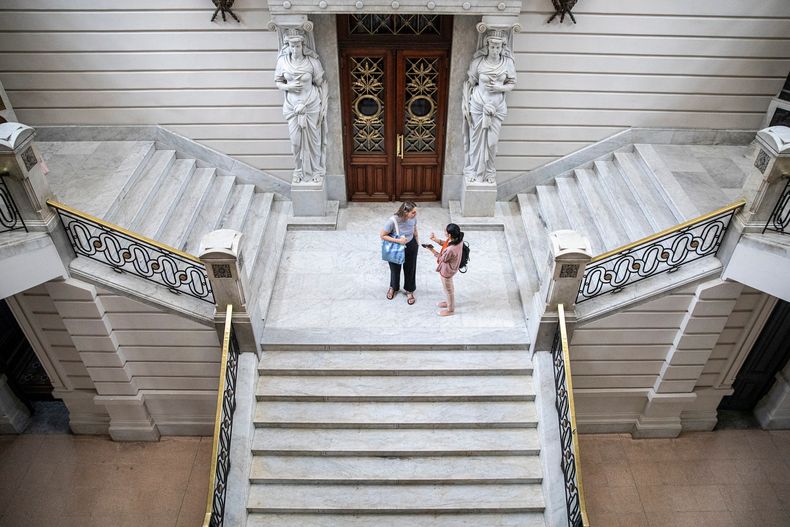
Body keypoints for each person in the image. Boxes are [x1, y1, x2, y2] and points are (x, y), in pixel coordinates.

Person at [462, 30, 517, 183]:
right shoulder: (478, 62)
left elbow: (512, 83)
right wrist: (467, 102)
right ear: (487, 46)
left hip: (496, 108)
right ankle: (473, 170)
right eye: (492, 47)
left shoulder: (507, 63)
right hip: (478, 105)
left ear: (502, 47)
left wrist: (500, 87)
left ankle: (489, 172)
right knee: (475, 141)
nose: (494, 50)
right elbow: (471, 82)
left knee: (492, 142)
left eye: (498, 47)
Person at [274, 30, 328, 183]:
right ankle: (298, 171)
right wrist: (288, 87)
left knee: (314, 141)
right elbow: (278, 82)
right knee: (295, 142)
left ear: (303, 46)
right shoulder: (283, 62)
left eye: (298, 46)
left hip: (311, 105)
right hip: (292, 107)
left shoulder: (312, 62)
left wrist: (321, 102)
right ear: (288, 46)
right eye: (292, 46)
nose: (295, 49)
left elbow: (320, 83)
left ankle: (316, 171)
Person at [380, 202, 419, 305]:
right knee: (395, 269)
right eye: (413, 212)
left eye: (415, 212)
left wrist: (417, 242)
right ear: (405, 212)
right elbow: (382, 235)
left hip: (411, 245)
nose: (415, 214)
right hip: (396, 247)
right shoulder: (392, 221)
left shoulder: (413, 218)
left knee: (410, 269)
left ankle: (409, 290)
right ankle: (393, 287)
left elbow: (414, 229)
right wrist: (399, 241)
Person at [424, 223, 464, 316]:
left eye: (445, 231)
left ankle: (450, 310)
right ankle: (449, 302)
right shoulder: (458, 239)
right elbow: (447, 244)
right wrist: (436, 240)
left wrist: (431, 249)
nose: (444, 231)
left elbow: (441, 258)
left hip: (447, 271)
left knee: (449, 290)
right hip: (453, 268)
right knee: (449, 288)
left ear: (449, 235)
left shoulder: (450, 250)